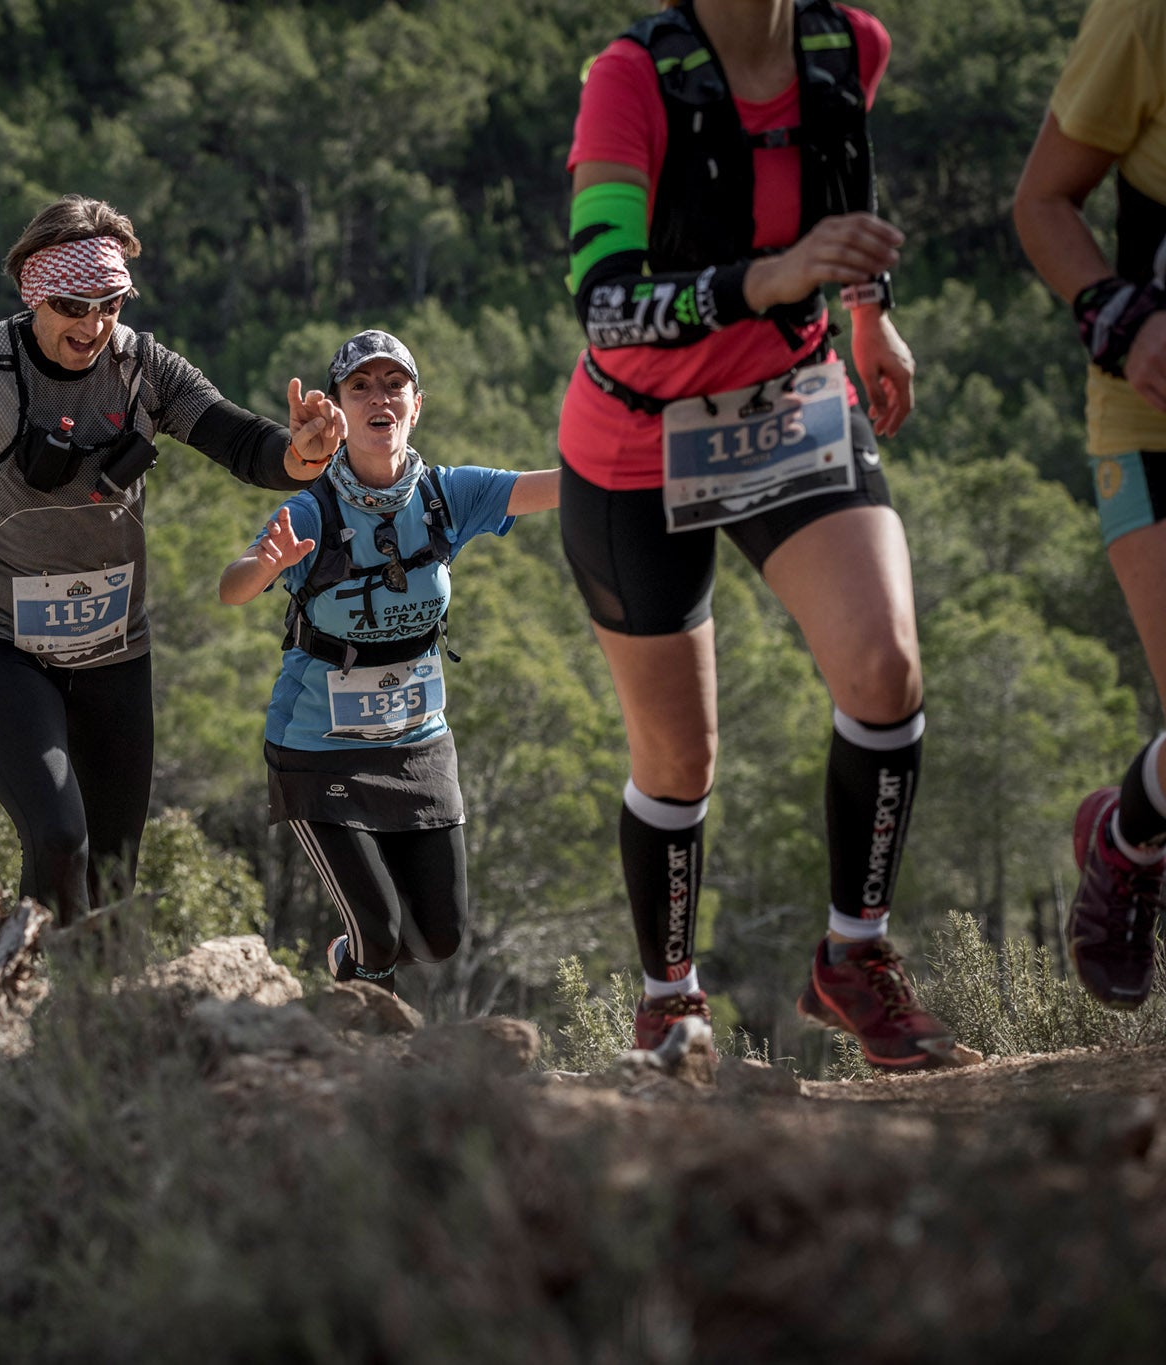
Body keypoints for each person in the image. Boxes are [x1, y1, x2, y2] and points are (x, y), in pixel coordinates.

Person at [560, 0, 976, 1068]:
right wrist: (768, 280)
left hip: (788, 406)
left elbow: (841, 184)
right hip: (634, 443)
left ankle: (853, 956)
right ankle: (667, 1000)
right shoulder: (630, 78)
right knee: (679, 756)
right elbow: (600, 299)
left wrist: (868, 313)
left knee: (883, 672)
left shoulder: (848, 46)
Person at [0, 195, 343, 925]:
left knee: (114, 873)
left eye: (110, 305)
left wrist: (301, 454)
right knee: (60, 837)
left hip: (113, 652)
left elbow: (242, 443)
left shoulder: (144, 368)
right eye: (71, 305)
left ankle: (90, 1025)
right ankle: (31, 1000)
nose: (92, 325)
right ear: (34, 294)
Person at [220, 330, 559, 988]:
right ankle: (368, 1055)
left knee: (439, 937)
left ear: (416, 404)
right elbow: (231, 588)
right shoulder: (311, 510)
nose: (380, 397)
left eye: (394, 384)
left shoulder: (446, 496)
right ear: (339, 410)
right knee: (378, 932)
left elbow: (555, 488)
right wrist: (263, 565)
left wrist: (641, 461)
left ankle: (354, 975)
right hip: (320, 746)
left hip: (417, 744)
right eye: (361, 386)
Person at [1015, 0, 1166, 1010]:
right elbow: (1040, 203)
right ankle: (1122, 848)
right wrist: (1123, 319)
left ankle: (1133, 819)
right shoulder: (1143, 18)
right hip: (1150, 418)